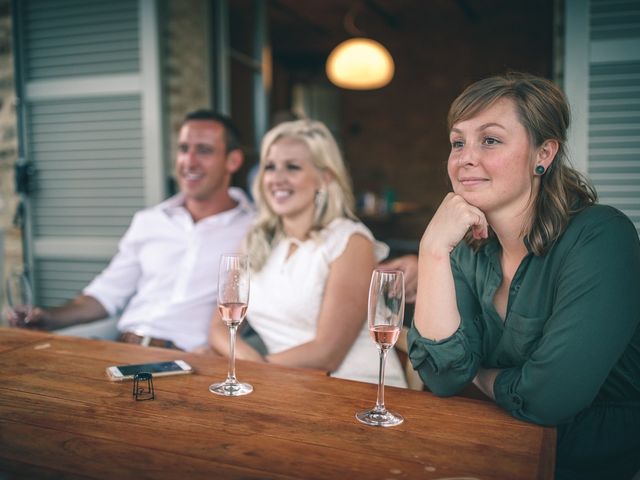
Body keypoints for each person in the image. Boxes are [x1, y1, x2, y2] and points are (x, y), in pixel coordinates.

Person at [407, 73, 640, 479]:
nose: (465, 157)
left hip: (588, 462)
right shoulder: (465, 249)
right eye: (458, 142)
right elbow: (442, 377)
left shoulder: (602, 236)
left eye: (490, 140)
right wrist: (432, 251)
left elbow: (550, 398)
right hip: (493, 447)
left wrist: (477, 373)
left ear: (544, 154)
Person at [8, 110, 254, 352]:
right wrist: (48, 317)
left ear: (233, 160)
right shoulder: (149, 221)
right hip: (123, 348)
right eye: (183, 149)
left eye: (204, 150)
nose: (188, 162)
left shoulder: (254, 229)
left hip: (189, 360)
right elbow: (105, 295)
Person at [208, 119, 407, 387]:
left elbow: (327, 354)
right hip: (282, 383)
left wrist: (253, 369)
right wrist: (245, 361)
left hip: (353, 386)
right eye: (270, 167)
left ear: (325, 178)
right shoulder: (256, 238)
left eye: (292, 167)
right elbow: (219, 327)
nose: (277, 178)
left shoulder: (350, 240)